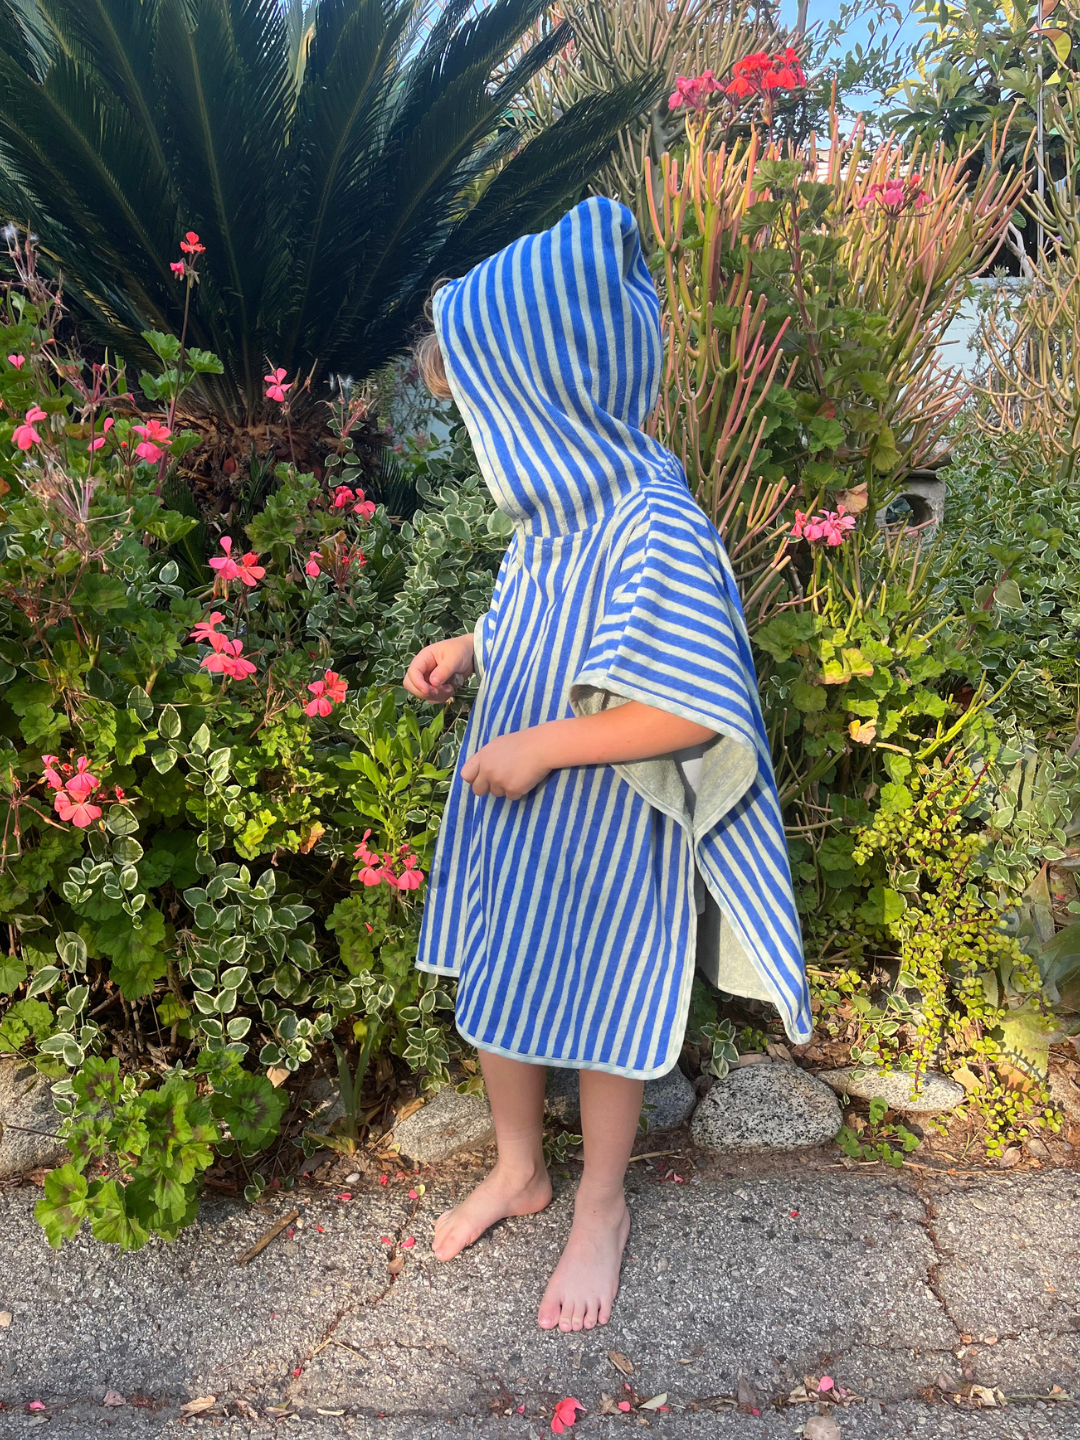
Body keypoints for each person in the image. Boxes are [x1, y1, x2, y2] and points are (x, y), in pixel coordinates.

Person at [403, 196, 811, 1335]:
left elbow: (689, 705)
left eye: (485, 410)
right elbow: (541, 623)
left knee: (605, 1003)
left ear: (546, 396)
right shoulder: (554, 522)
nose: (482, 438)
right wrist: (473, 647)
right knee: (501, 985)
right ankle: (519, 1168)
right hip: (516, 810)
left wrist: (543, 744)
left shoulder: (654, 520)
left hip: (608, 825)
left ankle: (599, 1203)